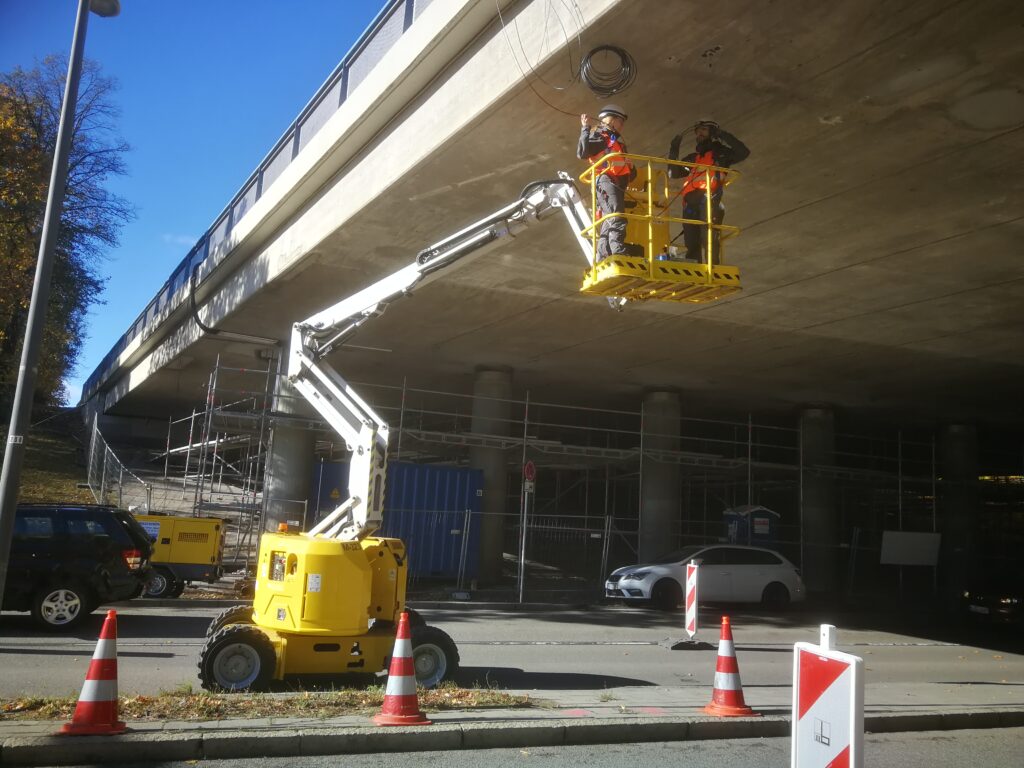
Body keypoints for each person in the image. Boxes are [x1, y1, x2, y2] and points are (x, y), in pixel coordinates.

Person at [667, 119, 749, 263]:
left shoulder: (721, 155)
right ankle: (695, 269)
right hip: (690, 206)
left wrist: (722, 134)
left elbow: (743, 152)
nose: (699, 134)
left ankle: (714, 269)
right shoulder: (693, 158)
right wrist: (674, 149)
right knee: (691, 242)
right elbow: (672, 173)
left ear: (712, 132)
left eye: (703, 130)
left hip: (709, 200)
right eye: (697, 131)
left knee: (709, 238)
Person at [577, 104, 636, 261]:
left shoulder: (618, 144)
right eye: (620, 121)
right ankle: (618, 251)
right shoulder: (601, 136)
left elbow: (632, 175)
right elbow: (583, 152)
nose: (622, 126)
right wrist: (585, 128)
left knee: (608, 220)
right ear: (611, 120)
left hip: (615, 184)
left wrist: (630, 165)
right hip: (606, 181)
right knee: (616, 216)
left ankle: (602, 256)